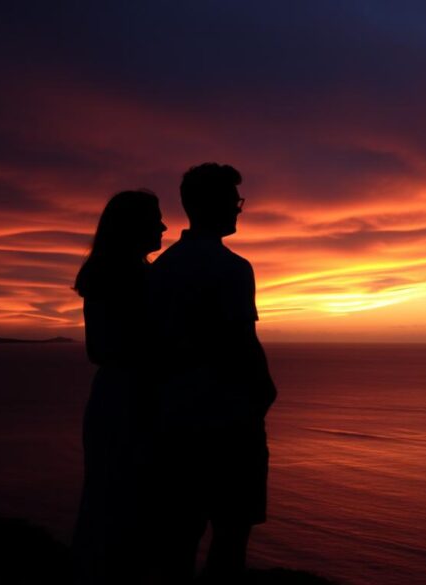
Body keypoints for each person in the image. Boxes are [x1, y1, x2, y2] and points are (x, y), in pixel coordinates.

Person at [150, 163, 277, 583]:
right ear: (210, 204)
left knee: (177, 539)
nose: (238, 210)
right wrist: (264, 394)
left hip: (173, 419)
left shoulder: (162, 268)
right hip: (228, 421)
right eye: (233, 201)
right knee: (230, 538)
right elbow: (241, 342)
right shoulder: (233, 267)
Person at [73, 190, 167, 583]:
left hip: (117, 399)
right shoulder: (127, 277)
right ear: (133, 227)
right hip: (129, 404)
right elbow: (106, 348)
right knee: (122, 509)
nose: (163, 225)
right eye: (155, 218)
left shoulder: (121, 273)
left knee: (107, 505)